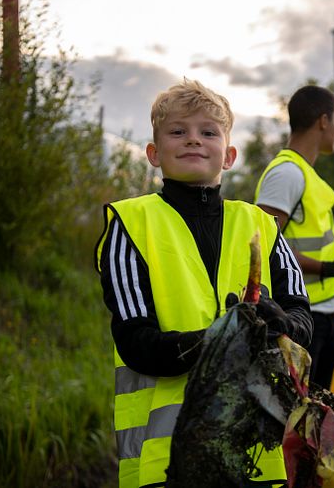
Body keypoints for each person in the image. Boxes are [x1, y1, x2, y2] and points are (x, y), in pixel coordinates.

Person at [95, 79, 313, 488]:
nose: (193, 140)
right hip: (165, 458)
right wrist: (220, 340)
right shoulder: (130, 224)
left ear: (228, 155)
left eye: (208, 132)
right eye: (178, 131)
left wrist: (278, 324)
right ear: (154, 154)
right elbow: (135, 341)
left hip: (254, 454)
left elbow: (302, 317)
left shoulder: (262, 225)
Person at [254, 85, 334, 390]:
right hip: (300, 318)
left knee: (316, 422)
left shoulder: (305, 173)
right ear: (323, 121)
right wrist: (328, 269)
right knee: (299, 425)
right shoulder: (288, 174)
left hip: (323, 314)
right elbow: (261, 248)